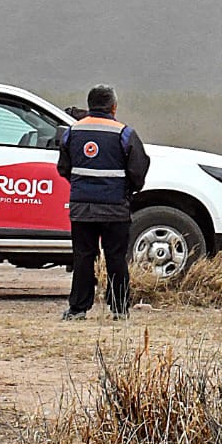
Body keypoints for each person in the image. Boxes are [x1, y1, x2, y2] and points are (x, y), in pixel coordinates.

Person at [57, 85, 150, 320]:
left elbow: (63, 168)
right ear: (114, 107)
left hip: (81, 208)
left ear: (89, 105)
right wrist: (128, 190)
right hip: (115, 208)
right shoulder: (124, 133)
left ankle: (78, 308)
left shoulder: (72, 131)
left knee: (83, 257)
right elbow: (139, 170)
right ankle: (119, 309)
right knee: (116, 258)